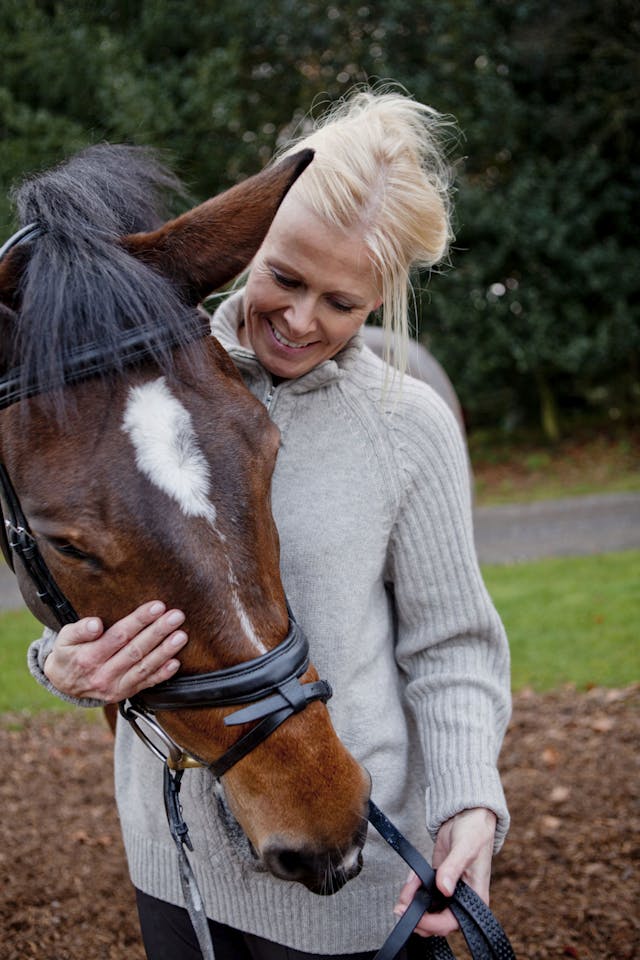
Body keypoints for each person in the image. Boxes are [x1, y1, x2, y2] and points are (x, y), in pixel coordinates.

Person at [29, 87, 511, 959]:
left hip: (350, 875)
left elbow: (453, 644)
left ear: (382, 300)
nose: (299, 318)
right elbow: (85, 566)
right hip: (172, 866)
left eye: (342, 302)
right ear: (246, 248)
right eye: (285, 277)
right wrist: (61, 662)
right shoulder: (139, 400)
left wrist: (468, 802)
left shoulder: (407, 428)